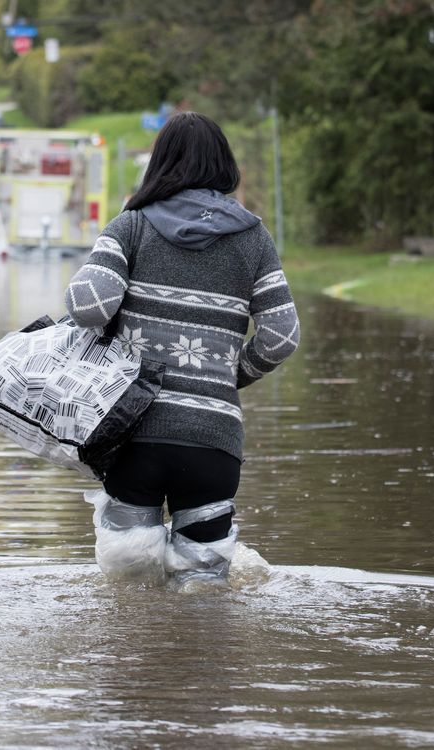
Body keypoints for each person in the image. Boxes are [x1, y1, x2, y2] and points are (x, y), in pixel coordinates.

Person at [63, 111, 300, 585]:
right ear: (223, 165)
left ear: (160, 163)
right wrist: (227, 376)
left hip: (135, 436)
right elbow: (281, 335)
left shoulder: (130, 226)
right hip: (213, 440)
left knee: (129, 589)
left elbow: (89, 306)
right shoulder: (253, 237)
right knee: (204, 592)